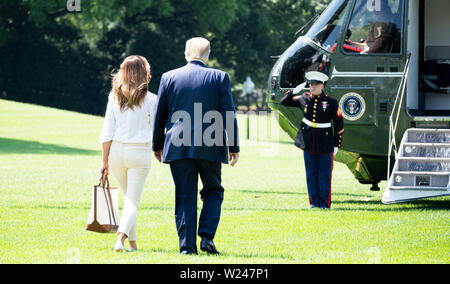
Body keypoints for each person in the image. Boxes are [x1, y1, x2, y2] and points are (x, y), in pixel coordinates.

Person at [152, 37, 240, 255]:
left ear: (186, 53)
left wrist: (157, 144)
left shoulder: (168, 77)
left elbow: (160, 114)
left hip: (178, 144)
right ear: (207, 55)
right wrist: (234, 146)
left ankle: (187, 248)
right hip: (211, 144)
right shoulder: (219, 77)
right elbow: (229, 112)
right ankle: (207, 237)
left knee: (184, 194)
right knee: (214, 190)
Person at [99, 55, 157, 252]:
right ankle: (121, 239)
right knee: (132, 200)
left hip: (116, 152)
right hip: (139, 153)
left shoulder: (113, 97)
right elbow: (157, 130)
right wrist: (159, 151)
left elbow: (107, 131)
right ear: (144, 73)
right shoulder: (151, 100)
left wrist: (104, 161)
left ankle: (133, 243)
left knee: (128, 197)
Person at [281, 71, 344, 209]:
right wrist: (294, 91)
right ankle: (314, 203)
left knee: (324, 175)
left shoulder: (331, 102)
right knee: (311, 174)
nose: (312, 87)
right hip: (308, 141)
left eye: (316, 85)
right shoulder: (304, 98)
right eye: (311, 85)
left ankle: (324, 204)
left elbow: (339, 124)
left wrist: (336, 144)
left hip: (325, 142)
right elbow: (284, 101)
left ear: (322, 85)